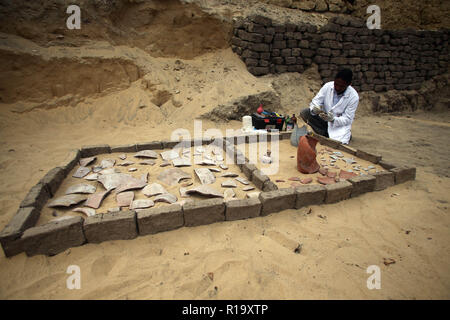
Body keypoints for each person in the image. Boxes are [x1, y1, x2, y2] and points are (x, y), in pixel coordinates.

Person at [300, 68, 359, 144]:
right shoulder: (328, 86)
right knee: (305, 112)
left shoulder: (353, 97)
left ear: (349, 84)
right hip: (324, 120)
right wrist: (315, 109)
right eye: (336, 84)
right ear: (334, 80)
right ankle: (325, 133)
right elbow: (316, 101)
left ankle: (342, 135)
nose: (337, 88)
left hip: (338, 125)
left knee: (339, 142)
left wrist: (333, 120)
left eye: (341, 86)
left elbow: (347, 119)